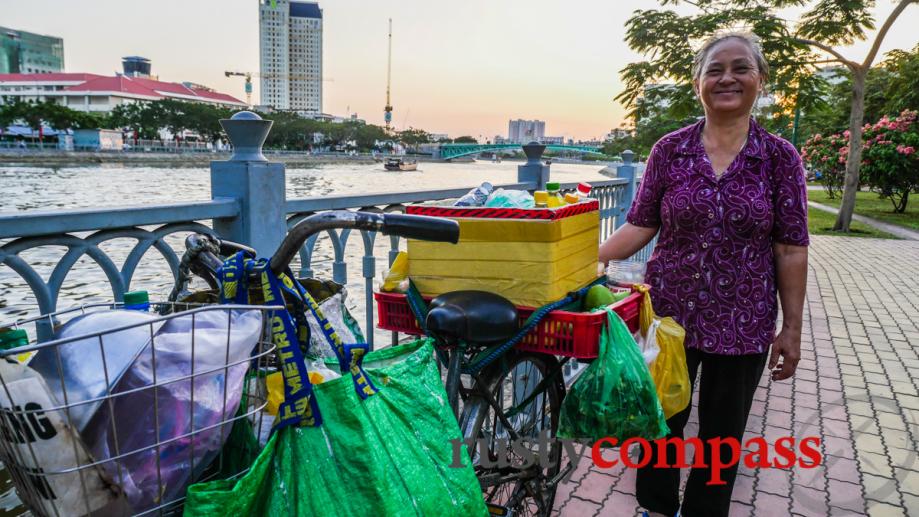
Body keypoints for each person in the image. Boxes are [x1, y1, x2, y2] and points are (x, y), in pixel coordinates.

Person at [598, 32, 809, 517]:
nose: (727, 78)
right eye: (715, 70)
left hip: (744, 321)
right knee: (661, 422)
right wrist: (589, 259)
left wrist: (791, 329)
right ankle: (655, 508)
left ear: (761, 80)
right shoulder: (670, 149)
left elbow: (791, 247)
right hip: (668, 316)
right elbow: (641, 222)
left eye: (740, 68)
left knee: (723, 433)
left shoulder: (779, 158)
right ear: (698, 82)